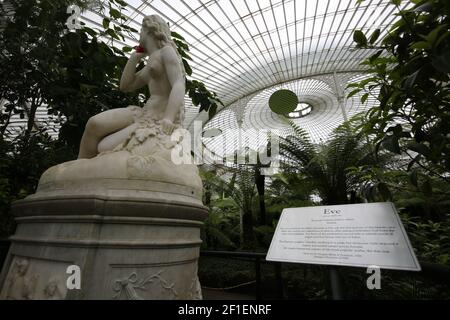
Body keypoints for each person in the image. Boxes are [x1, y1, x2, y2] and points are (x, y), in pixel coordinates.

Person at [78, 15, 186, 159]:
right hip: (143, 113)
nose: (139, 33)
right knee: (94, 123)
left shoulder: (166, 51)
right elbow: (126, 86)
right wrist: (134, 58)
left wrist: (168, 117)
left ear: (149, 30)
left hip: (158, 117)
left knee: (103, 146)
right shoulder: (150, 61)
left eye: (141, 29)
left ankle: (85, 166)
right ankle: (80, 163)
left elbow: (178, 83)